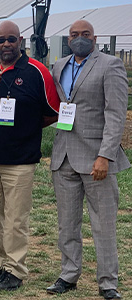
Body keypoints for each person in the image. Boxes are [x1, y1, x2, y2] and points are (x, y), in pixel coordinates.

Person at [0, 21, 60, 291]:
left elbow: (53, 111)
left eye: (11, 39)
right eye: (1, 40)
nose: (6, 44)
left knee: (16, 218)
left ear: (20, 40)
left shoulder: (37, 72)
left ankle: (14, 268)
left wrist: (28, 128)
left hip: (21, 160)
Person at [46, 20, 130, 300]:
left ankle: (108, 283)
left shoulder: (110, 65)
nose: (79, 39)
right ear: (67, 39)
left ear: (95, 38)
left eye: (85, 35)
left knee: (103, 224)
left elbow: (116, 113)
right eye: (73, 35)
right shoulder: (59, 66)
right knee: (66, 224)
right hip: (64, 156)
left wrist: (105, 155)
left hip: (97, 159)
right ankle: (68, 275)